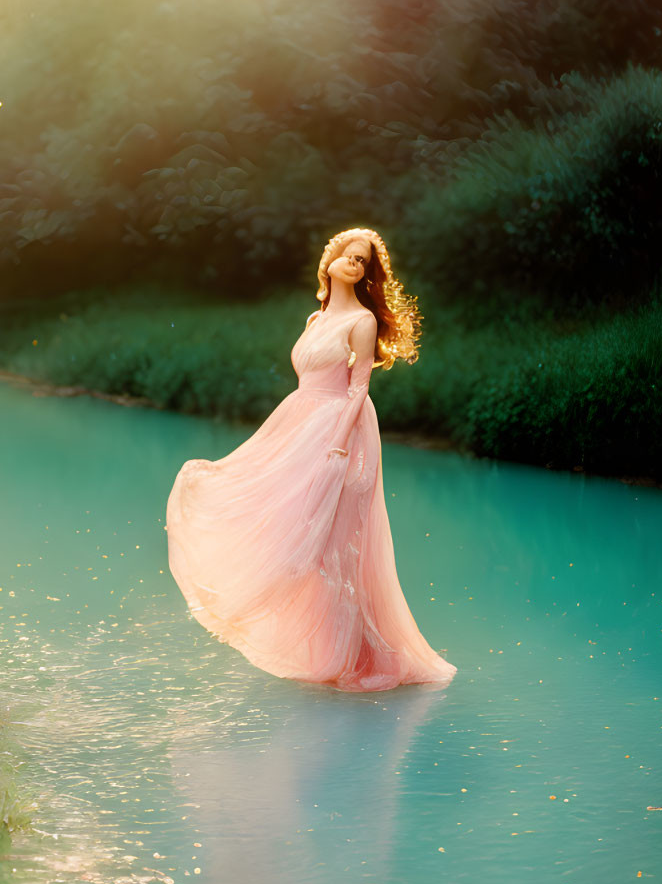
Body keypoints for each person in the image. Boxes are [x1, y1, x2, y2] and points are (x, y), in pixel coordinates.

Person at [166, 228, 457, 691]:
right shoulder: (314, 319)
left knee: (342, 546)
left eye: (364, 262)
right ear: (333, 259)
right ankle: (329, 649)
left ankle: (367, 657)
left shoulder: (361, 321)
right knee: (291, 533)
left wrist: (339, 447)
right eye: (350, 256)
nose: (355, 265)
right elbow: (307, 384)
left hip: (342, 429)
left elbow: (358, 388)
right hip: (301, 424)